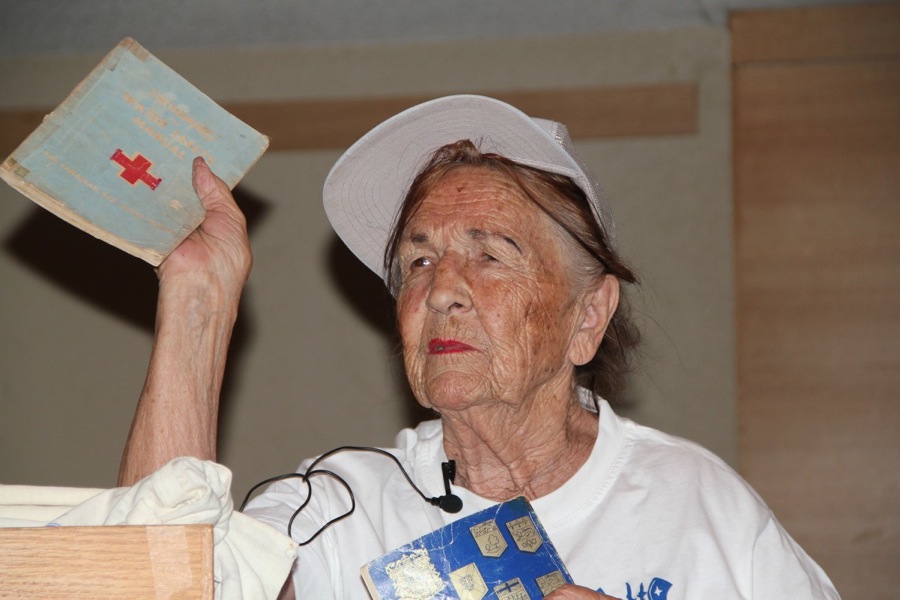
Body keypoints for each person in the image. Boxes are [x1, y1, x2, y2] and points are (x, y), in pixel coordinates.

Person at [118, 95, 840, 599]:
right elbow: (142, 587)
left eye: (491, 254)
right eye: (420, 260)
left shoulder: (701, 507)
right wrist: (196, 299)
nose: (441, 290)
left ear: (588, 315)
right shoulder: (342, 507)